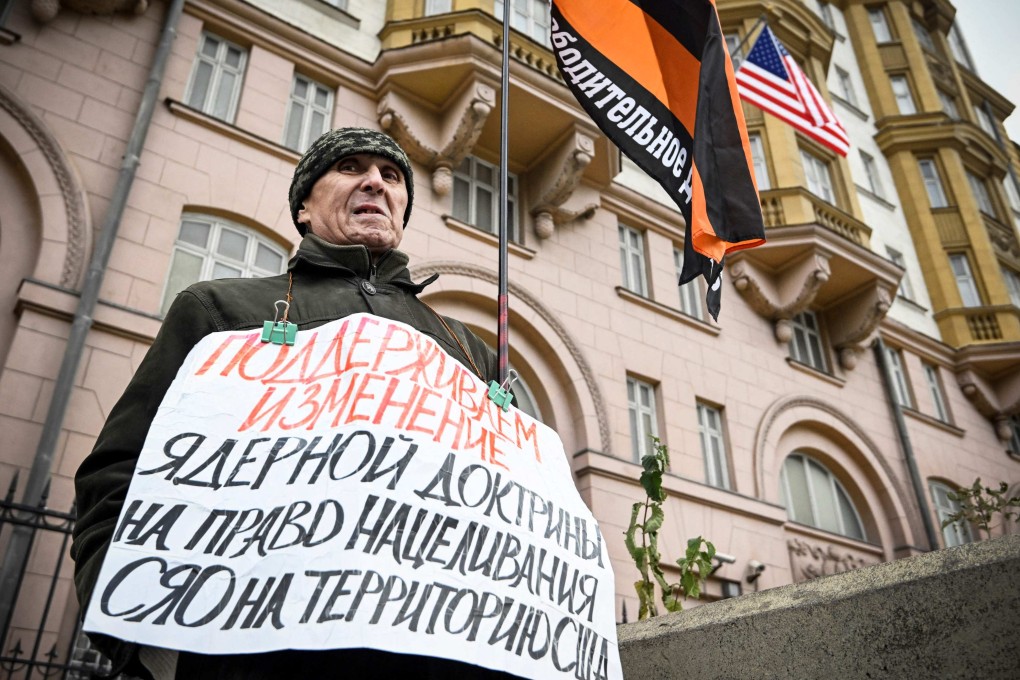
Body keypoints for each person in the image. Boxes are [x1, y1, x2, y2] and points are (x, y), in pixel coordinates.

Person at [71, 127, 515, 679]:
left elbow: (510, 508)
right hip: (250, 655)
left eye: (392, 176)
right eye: (351, 168)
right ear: (303, 206)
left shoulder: (472, 355)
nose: (376, 181)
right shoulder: (220, 311)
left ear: (401, 209)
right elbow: (120, 473)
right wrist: (134, 639)